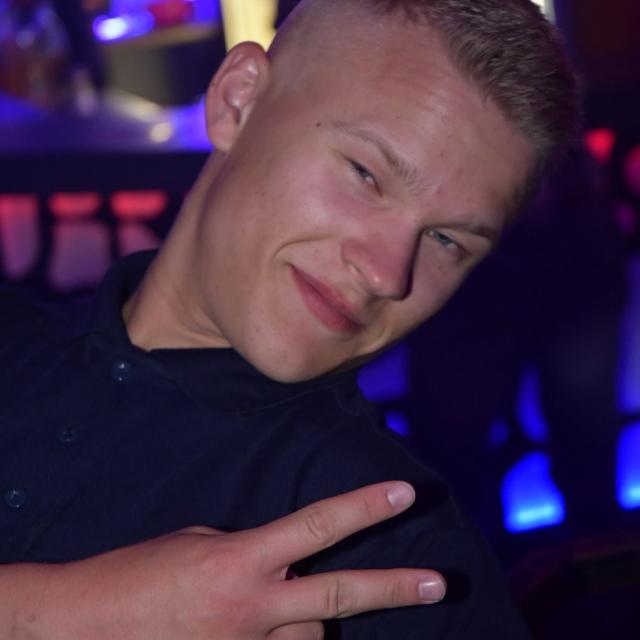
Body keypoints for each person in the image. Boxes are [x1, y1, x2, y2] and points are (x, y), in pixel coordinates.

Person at [0, 0, 577, 637]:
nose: (388, 274)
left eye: (447, 241)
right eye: (366, 174)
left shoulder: (399, 552)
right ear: (238, 102)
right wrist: (58, 612)